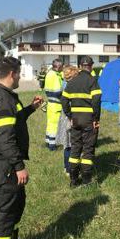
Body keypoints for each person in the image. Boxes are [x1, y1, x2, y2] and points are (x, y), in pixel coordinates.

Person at [0, 56, 42, 239]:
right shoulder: (2, 100)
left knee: (17, 205)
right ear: (11, 74)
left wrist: (31, 108)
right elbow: (5, 139)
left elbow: (14, 120)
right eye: (19, 73)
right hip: (5, 165)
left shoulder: (5, 96)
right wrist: (19, 167)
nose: (19, 77)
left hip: (6, 164)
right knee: (6, 212)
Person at [62, 56, 101, 188]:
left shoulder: (71, 82)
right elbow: (96, 101)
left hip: (76, 119)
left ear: (80, 66)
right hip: (89, 119)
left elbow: (64, 100)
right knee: (88, 149)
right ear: (90, 66)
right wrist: (96, 119)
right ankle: (86, 181)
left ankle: (73, 181)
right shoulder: (92, 80)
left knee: (75, 149)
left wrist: (69, 115)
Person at [57, 66, 79, 175]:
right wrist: (71, 117)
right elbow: (67, 103)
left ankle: (66, 167)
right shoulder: (70, 86)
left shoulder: (64, 84)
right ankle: (69, 168)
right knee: (70, 144)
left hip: (64, 116)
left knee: (67, 144)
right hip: (69, 117)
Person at [42, 59, 64, 150]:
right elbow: (58, 91)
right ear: (58, 66)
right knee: (55, 125)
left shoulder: (49, 74)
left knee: (50, 124)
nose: (62, 69)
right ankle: (52, 145)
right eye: (61, 67)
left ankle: (48, 141)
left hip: (50, 103)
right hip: (56, 104)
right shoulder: (55, 76)